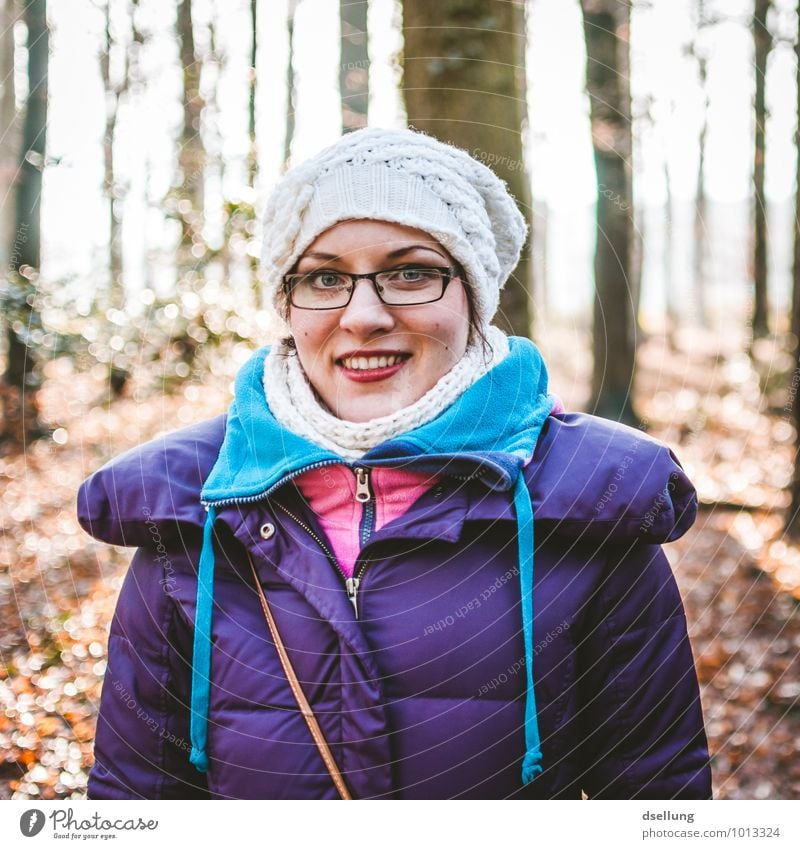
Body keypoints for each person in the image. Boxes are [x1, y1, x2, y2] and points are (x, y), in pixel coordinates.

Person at [78, 127, 712, 800]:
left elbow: (659, 802)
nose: (364, 315)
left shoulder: (592, 512)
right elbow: (134, 801)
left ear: (472, 294)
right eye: (325, 277)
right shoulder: (192, 517)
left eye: (411, 271)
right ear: (286, 305)